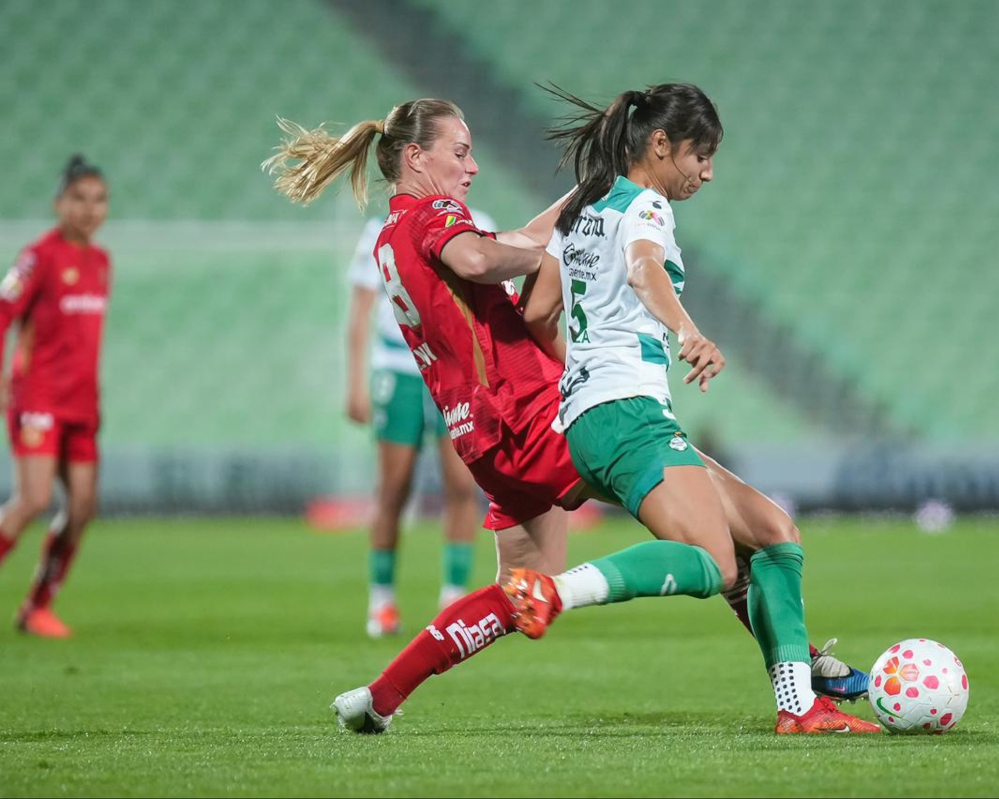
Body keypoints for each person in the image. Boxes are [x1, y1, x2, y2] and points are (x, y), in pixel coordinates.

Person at [262, 99, 872, 735]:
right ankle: (800, 682)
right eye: (460, 152)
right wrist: (576, 244)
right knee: (731, 546)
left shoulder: (389, 236)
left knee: (520, 589)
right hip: (536, 415)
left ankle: (379, 696)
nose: (471, 168)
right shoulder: (438, 215)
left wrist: (576, 216)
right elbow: (484, 258)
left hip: (486, 443)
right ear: (416, 158)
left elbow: (527, 279)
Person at [346, 208, 493, 637]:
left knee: (462, 485)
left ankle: (453, 600)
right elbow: (361, 310)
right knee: (394, 487)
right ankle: (382, 601)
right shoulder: (380, 229)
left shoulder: (473, 220)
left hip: (454, 369)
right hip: (399, 368)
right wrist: (356, 383)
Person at [0, 155, 110, 638]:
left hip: (81, 405)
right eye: (79, 199)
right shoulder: (38, 256)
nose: (89, 209)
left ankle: (36, 606)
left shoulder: (101, 261)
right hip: (39, 398)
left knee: (82, 508)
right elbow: (3, 310)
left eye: (99, 199)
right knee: (33, 499)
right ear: (59, 203)